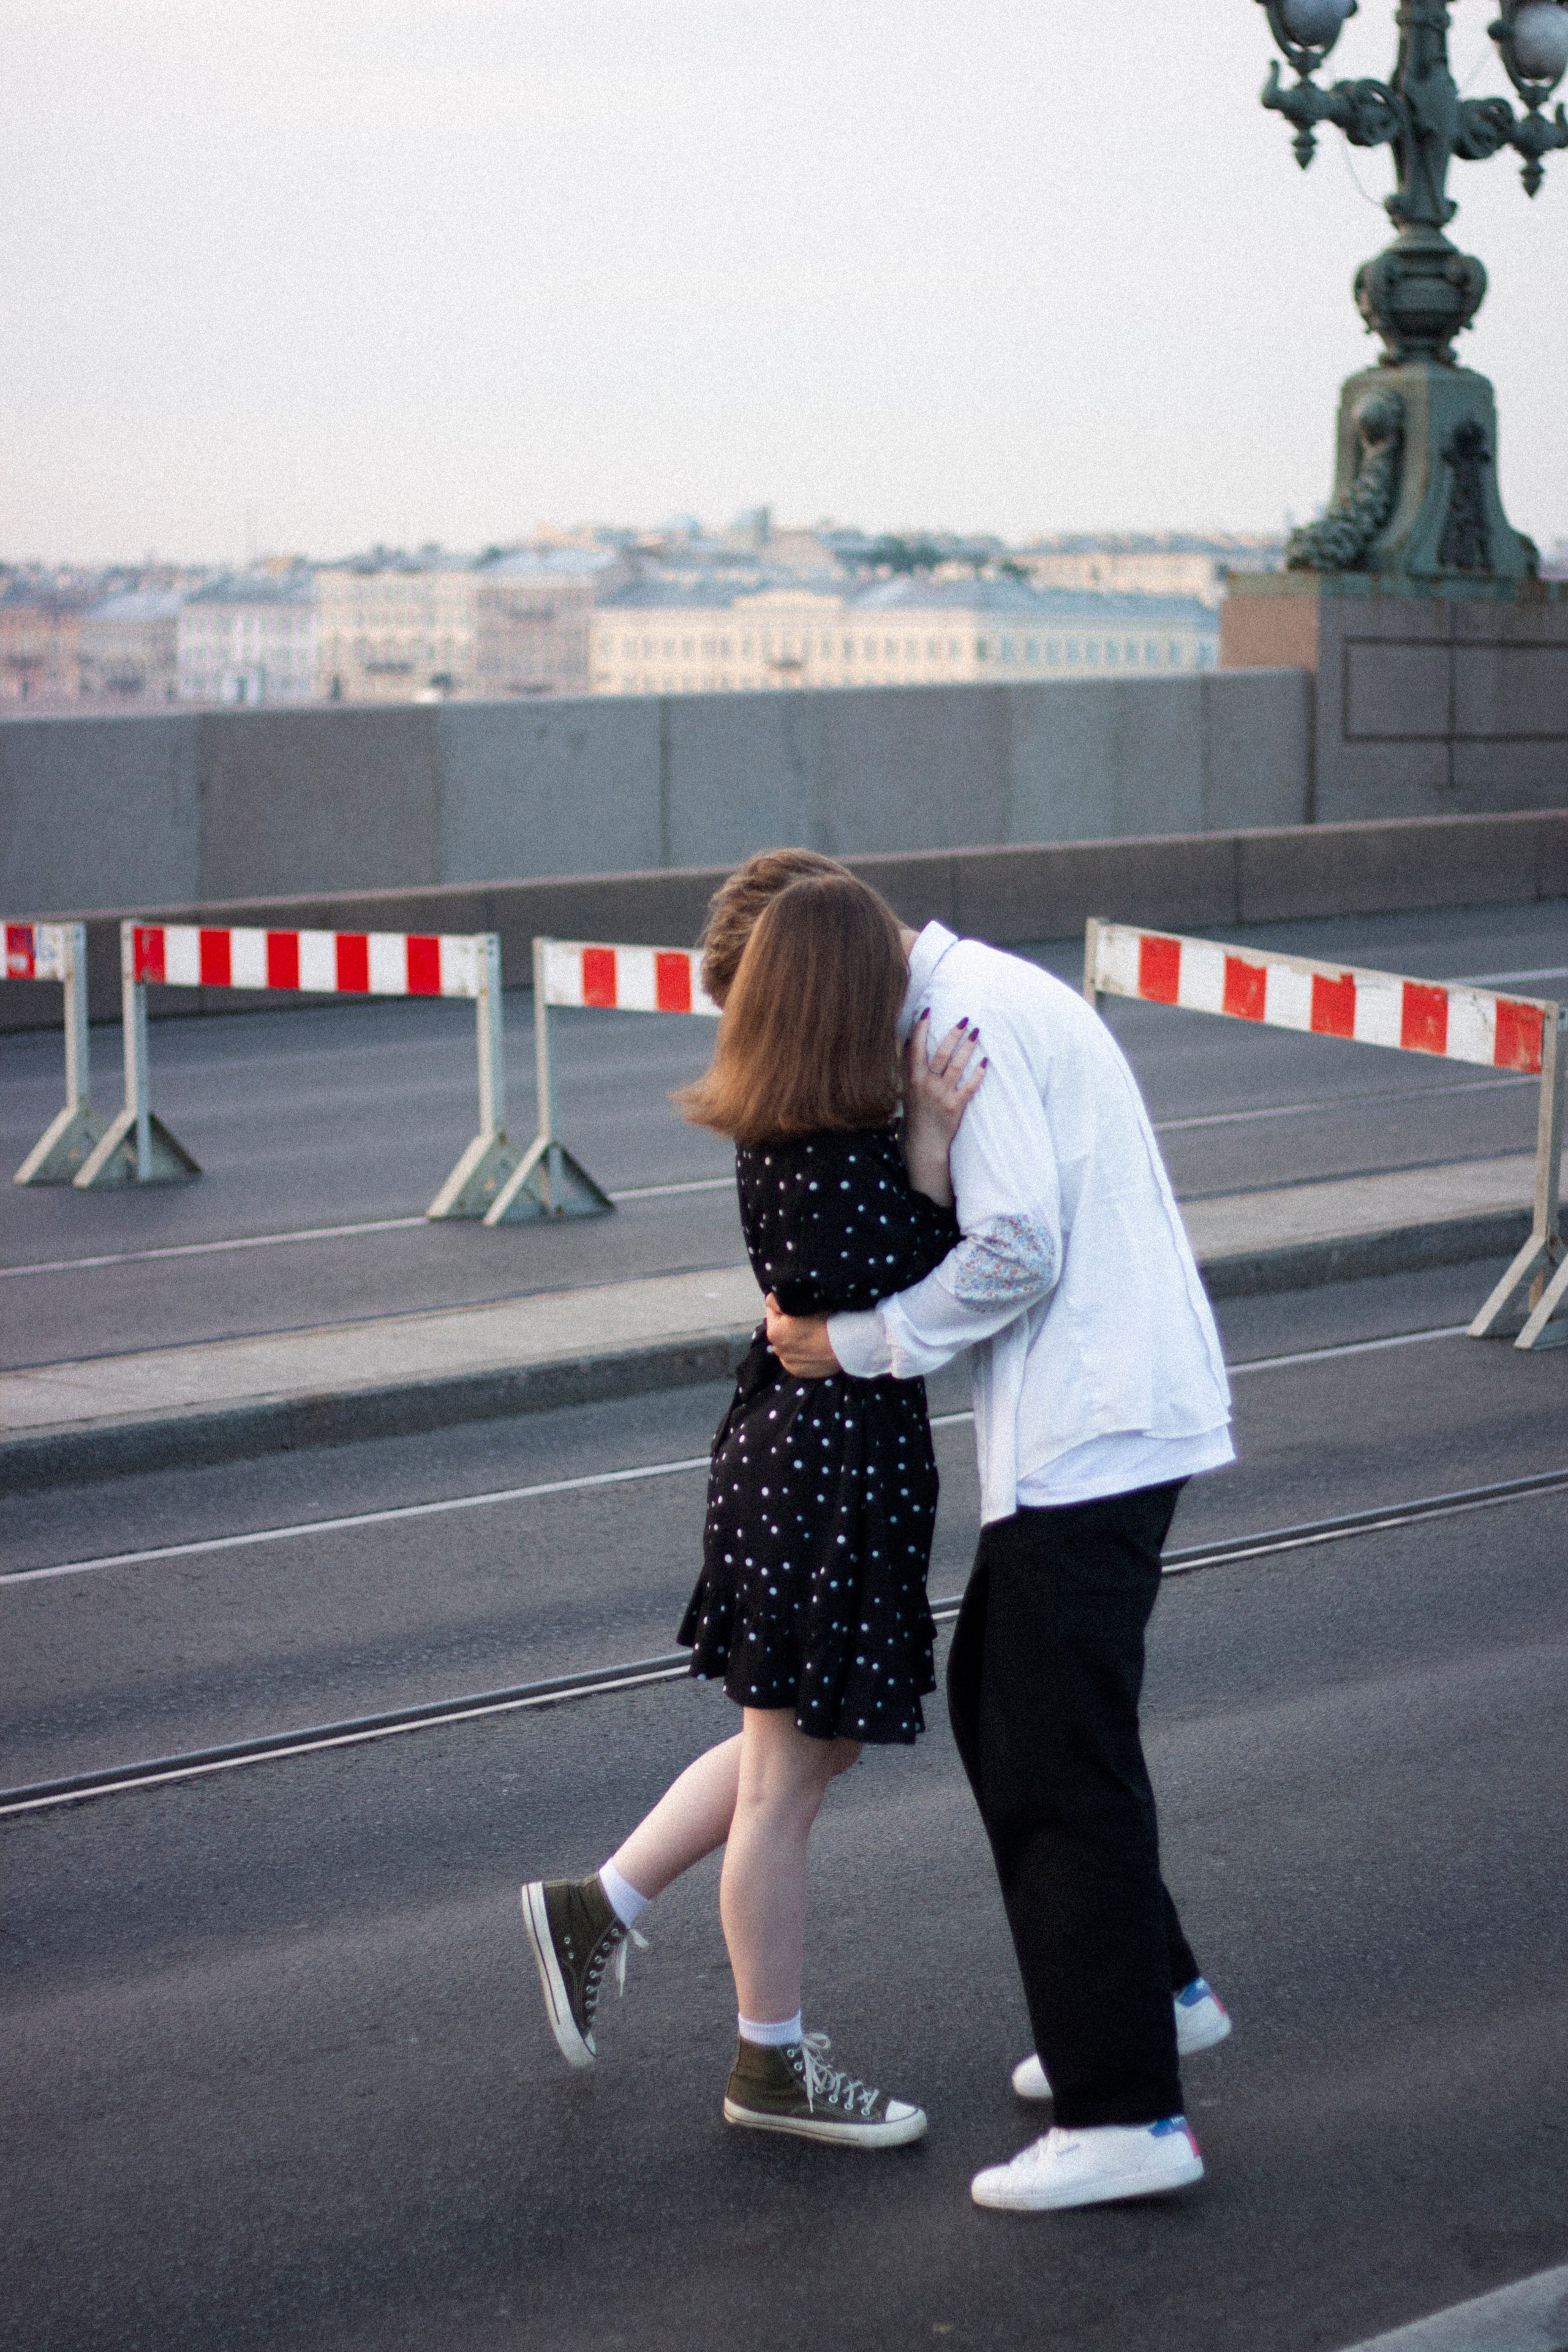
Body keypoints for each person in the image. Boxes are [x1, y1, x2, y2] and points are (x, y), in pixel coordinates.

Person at [765, 891, 1237, 2213]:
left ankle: (1123, 2116)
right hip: (1104, 1416)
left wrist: (858, 1343)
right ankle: (1160, 1992)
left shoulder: (959, 1017)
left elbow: (1015, 1245)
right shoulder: (965, 998)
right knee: (1017, 1709)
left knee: (1047, 1754)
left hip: (1095, 1426)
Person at [521, 868, 986, 2150]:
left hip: (814, 1466)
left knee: (806, 1749)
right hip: (818, 1476)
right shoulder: (829, 1150)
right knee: (786, 1779)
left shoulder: (794, 1126)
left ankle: (598, 1904)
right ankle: (766, 2065)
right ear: (845, 1001)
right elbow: (923, 1273)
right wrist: (936, 1144)